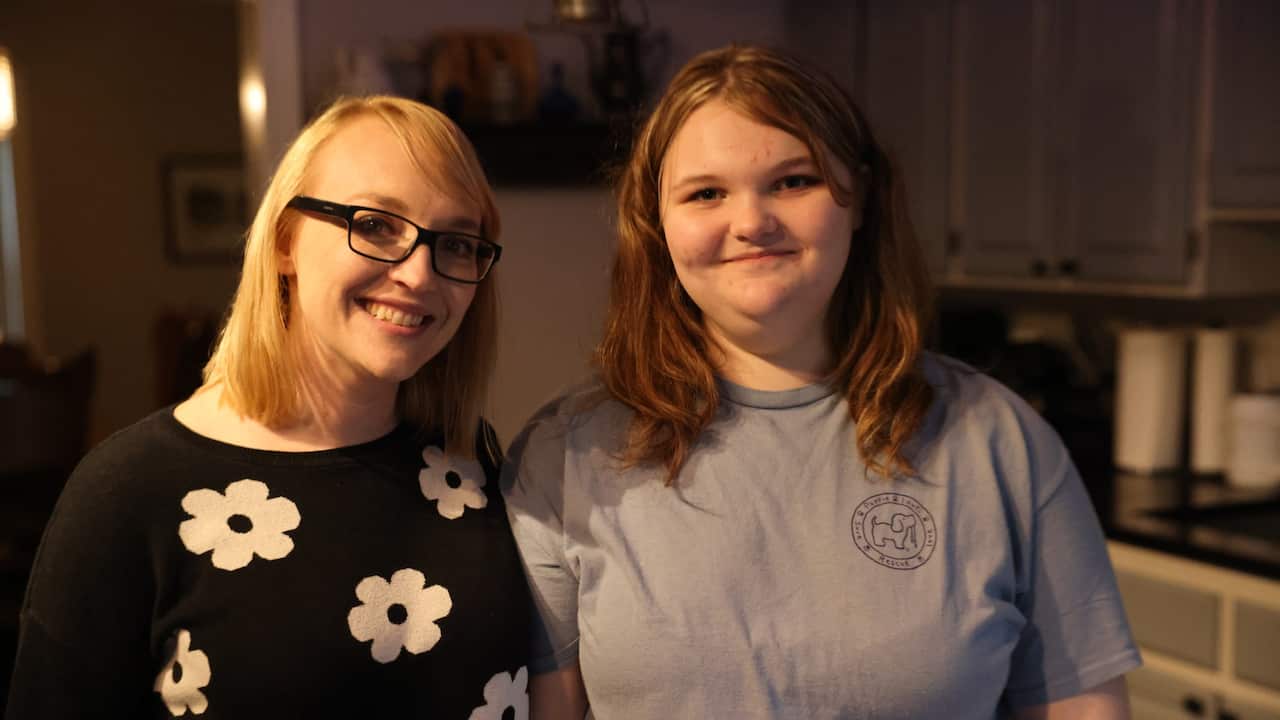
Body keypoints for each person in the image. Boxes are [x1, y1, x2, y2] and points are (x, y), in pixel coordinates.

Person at [502, 45, 1141, 719]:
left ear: (860, 198)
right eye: (706, 193)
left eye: (793, 181)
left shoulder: (1002, 443)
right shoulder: (566, 455)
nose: (751, 223)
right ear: (657, 224)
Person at [6, 96, 530, 718]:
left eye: (457, 242)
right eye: (375, 225)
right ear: (285, 241)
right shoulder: (128, 490)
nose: (420, 274)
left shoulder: (476, 461)